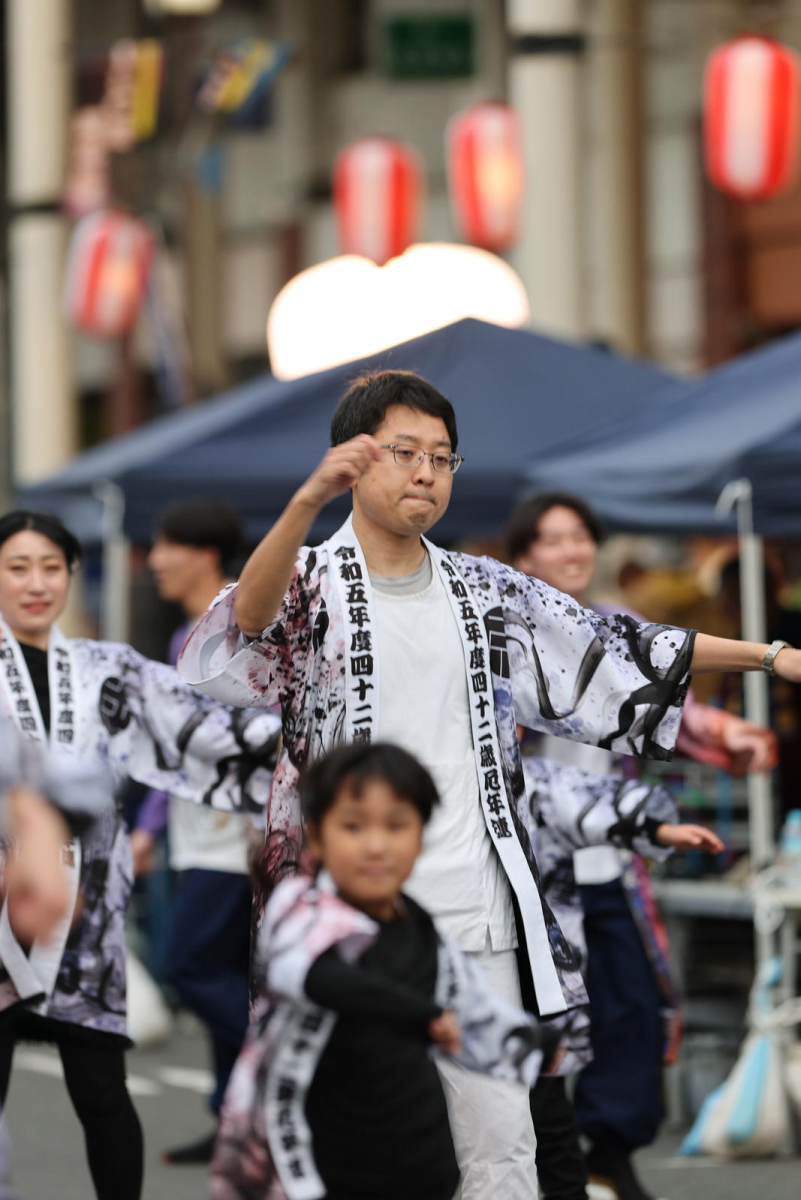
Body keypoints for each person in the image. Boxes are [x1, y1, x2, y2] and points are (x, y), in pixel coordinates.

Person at [178, 370, 799, 1200]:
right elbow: (245, 629)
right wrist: (303, 505)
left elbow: (618, 643)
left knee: (500, 1147)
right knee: (351, 1148)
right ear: (353, 464)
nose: (426, 473)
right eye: (404, 453)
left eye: (442, 457)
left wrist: (766, 656)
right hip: (344, 921)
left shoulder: (483, 591)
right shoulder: (312, 582)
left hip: (477, 909)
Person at [0, 510, 281, 1200]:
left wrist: (302, 729)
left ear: (71, 575)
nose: (36, 584)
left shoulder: (109, 669)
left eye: (51, 567)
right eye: (17, 568)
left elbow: (203, 732)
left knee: (102, 1092)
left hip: (88, 918)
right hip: (7, 910)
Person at [506, 491, 777, 1200]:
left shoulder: (613, 628)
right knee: (541, 1019)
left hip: (612, 857)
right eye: (552, 539)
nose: (570, 551)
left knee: (628, 1004)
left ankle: (608, 1154)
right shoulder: (502, 633)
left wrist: (730, 736)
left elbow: (669, 690)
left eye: (579, 538)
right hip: (527, 867)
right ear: (522, 557)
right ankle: (549, 1162)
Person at [212, 740, 557, 1200]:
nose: (376, 846)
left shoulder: (418, 925)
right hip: (311, 1170)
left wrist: (541, 1045)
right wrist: (422, 1015)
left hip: (411, 1168)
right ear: (316, 835)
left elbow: (472, 1011)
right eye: (353, 826)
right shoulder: (300, 909)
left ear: (420, 837)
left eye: (397, 826)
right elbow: (316, 976)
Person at [130, 498, 254, 1165]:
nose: (154, 561)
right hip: (197, 826)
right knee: (222, 965)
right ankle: (234, 1114)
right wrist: (150, 826)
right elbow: (175, 749)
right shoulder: (186, 635)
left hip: (239, 832)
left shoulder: (239, 623)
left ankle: (273, 1076)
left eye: (165, 546)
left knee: (191, 963)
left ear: (204, 553)